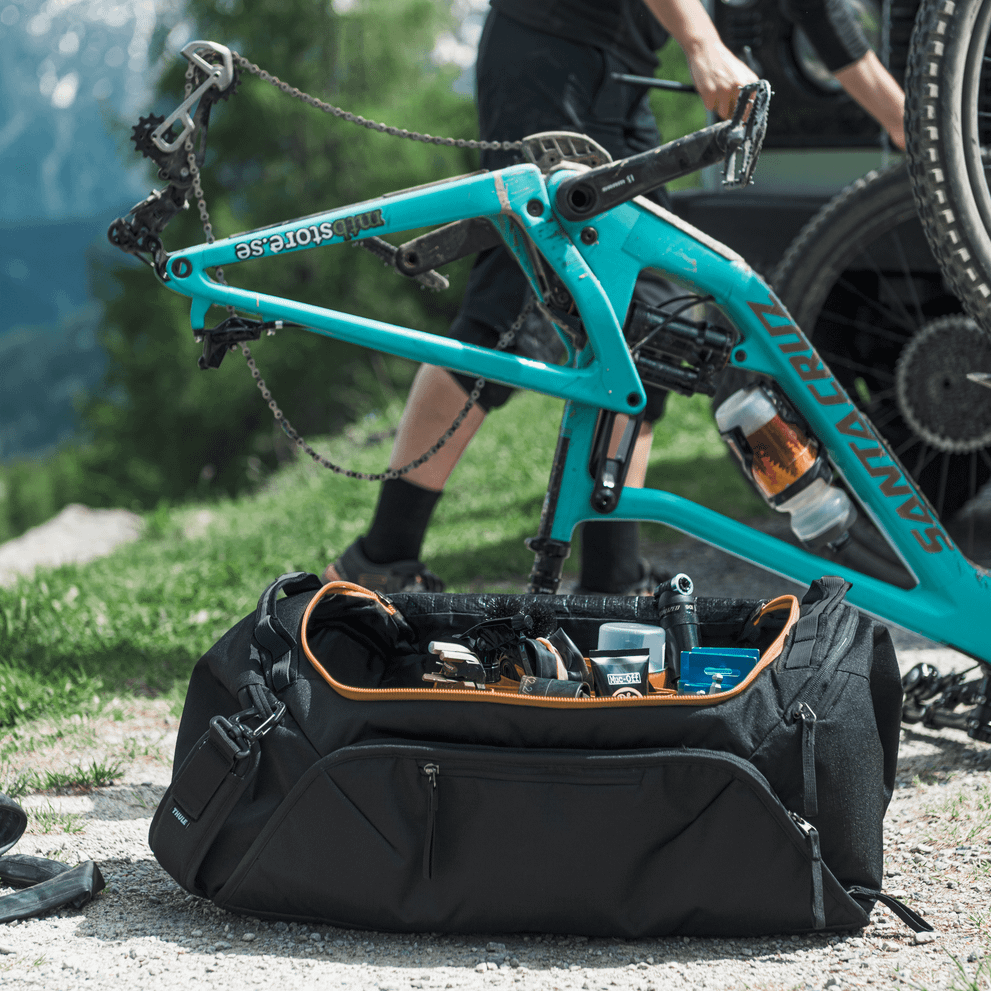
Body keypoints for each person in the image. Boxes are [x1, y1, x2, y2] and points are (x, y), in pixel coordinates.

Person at [322, 0, 904, 595]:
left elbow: (825, 22)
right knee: (511, 309)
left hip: (619, 85)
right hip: (547, 56)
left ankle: (610, 582)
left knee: (650, 319)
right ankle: (382, 556)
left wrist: (911, 128)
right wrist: (702, 43)